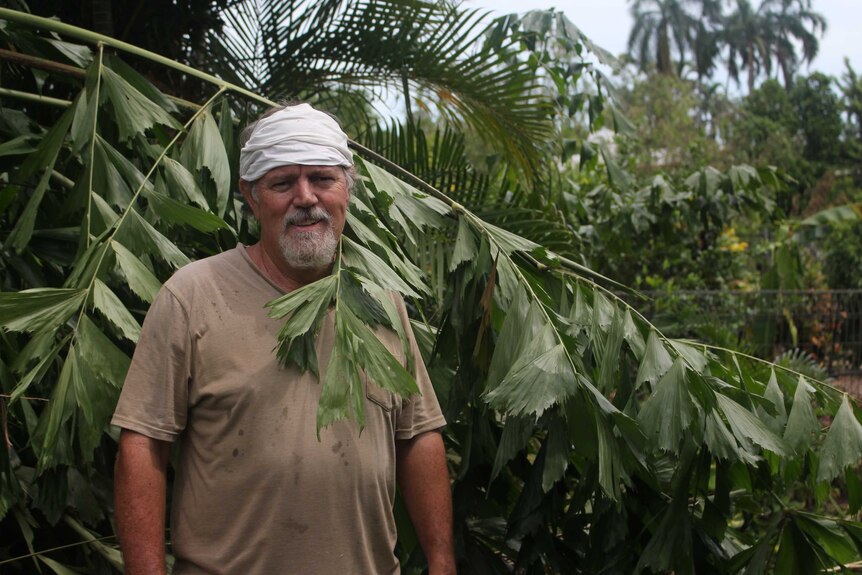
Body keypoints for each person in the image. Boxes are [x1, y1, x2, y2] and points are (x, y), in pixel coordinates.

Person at [112, 103, 456, 574]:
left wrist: (441, 561)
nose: (305, 197)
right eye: (282, 183)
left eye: (321, 178)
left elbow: (417, 435)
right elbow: (143, 443)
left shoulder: (382, 302)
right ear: (252, 198)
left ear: (346, 191)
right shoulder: (192, 297)